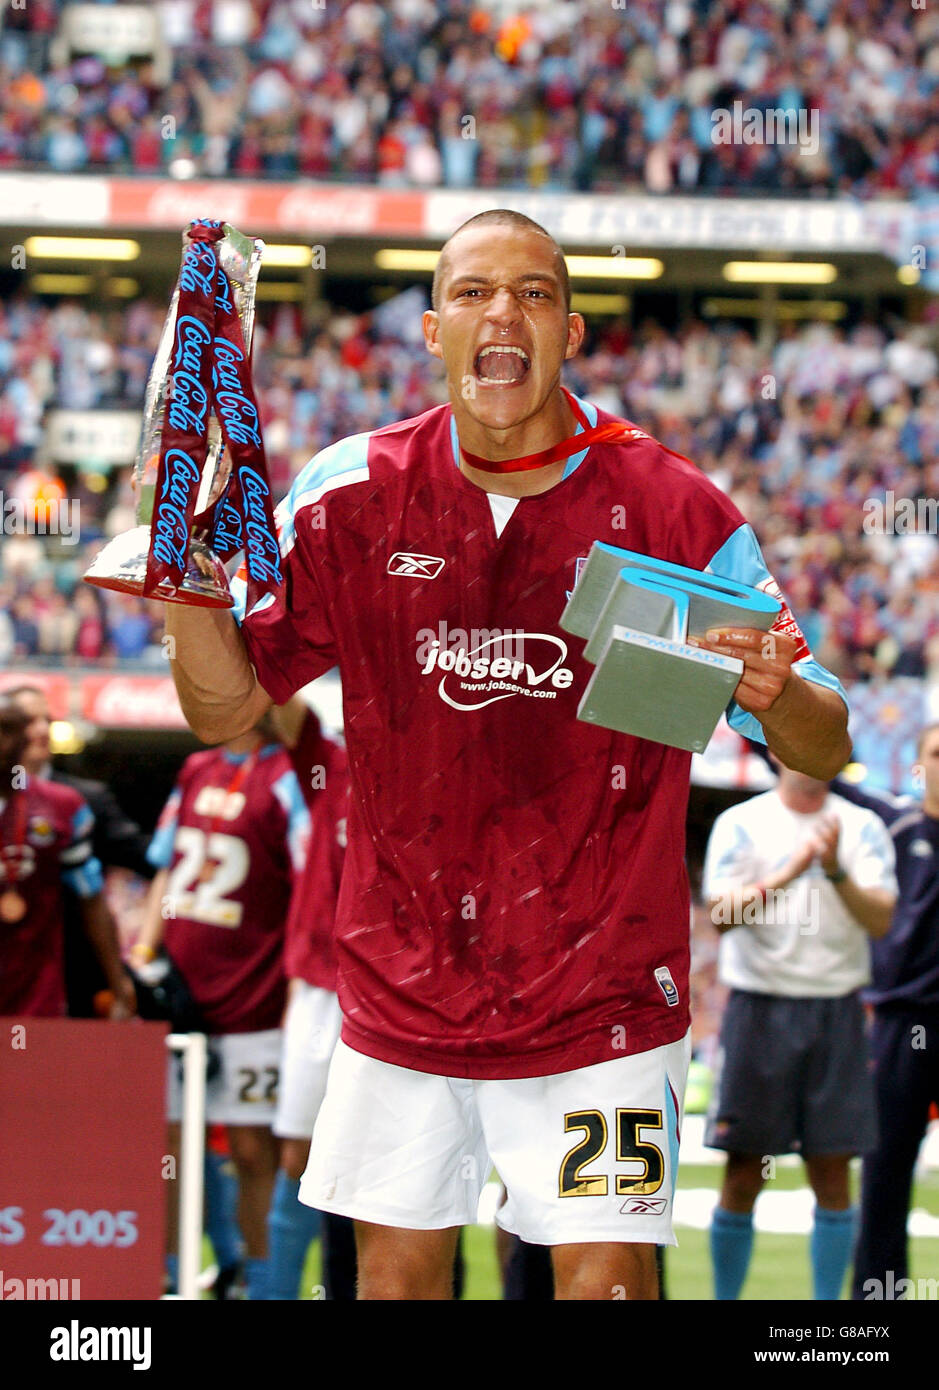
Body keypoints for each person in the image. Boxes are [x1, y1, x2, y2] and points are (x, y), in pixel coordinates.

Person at [164, 209, 851, 1300]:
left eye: (533, 294)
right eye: (476, 292)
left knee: (606, 1288)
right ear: (434, 329)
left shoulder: (671, 505)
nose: (504, 313)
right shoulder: (347, 493)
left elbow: (824, 734)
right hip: (400, 991)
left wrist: (779, 688)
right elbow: (223, 705)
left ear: (572, 331)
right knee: (390, 1285)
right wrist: (185, 591)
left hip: (605, 999)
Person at [702, 760, 898, 1300]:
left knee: (833, 1173)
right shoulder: (743, 821)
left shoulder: (862, 826)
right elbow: (719, 913)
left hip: (836, 1010)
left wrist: (834, 869)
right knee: (743, 1172)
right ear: (776, 751)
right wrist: (792, 870)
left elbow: (882, 919)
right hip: (758, 1009)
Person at [134, 712, 309, 1301]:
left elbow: (309, 883)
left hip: (256, 1000)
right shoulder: (195, 768)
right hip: (181, 997)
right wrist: (144, 948)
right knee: (170, 1145)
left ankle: (260, 1281)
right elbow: (164, 865)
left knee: (253, 1148)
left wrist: (293, 986)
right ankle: (170, 1272)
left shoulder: (289, 776)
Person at [832, 725, 939, 1300]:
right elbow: (816, 767)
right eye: (937, 754)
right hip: (903, 1025)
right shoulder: (895, 823)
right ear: (918, 764)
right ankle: (879, 1303)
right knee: (885, 1175)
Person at [265, 699, 353, 1300]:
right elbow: (283, 704)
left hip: (399, 993)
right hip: (324, 988)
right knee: (296, 1149)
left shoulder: (434, 777)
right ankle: (274, 1293)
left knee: (381, 1160)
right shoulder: (331, 766)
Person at [6, 682, 155, 1017]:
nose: (42, 729)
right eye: (29, 721)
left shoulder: (75, 802)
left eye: (47, 719)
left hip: (64, 983)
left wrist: (125, 972)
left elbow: (147, 861)